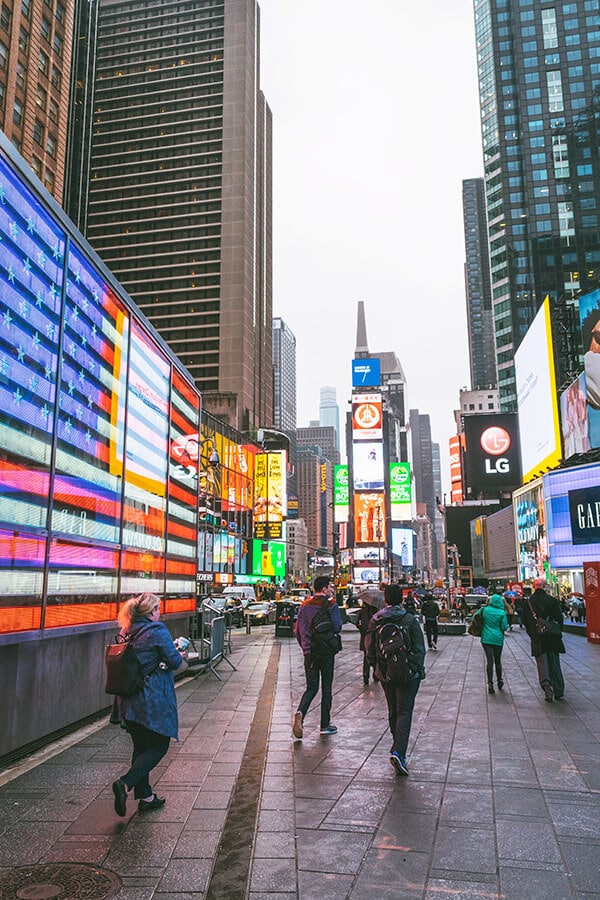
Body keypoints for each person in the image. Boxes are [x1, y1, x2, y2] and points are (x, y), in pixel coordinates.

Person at [112, 592, 185, 817]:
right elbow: (174, 661)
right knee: (159, 745)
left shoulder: (126, 631)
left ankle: (146, 797)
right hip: (151, 699)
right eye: (157, 609)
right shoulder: (156, 630)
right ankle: (125, 783)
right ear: (151, 612)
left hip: (127, 699)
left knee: (141, 747)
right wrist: (179, 653)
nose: (159, 612)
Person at [365, 584, 426, 777]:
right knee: (404, 711)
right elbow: (419, 647)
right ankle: (399, 751)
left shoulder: (376, 620)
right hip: (408, 674)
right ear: (401, 598)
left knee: (393, 709)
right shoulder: (409, 619)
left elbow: (369, 648)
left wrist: (376, 667)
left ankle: (397, 746)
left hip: (386, 673)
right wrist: (415, 667)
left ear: (386, 599)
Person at [293, 575, 343, 739]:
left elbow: (298, 631)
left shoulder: (304, 605)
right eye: (329, 586)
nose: (331, 589)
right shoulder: (331, 604)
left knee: (311, 688)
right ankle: (324, 724)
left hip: (310, 653)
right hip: (326, 652)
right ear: (323, 588)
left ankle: (301, 712)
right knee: (326, 688)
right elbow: (337, 626)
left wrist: (306, 648)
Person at [523, 578, 566, 702]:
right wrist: (557, 631)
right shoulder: (552, 600)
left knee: (542, 664)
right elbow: (560, 618)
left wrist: (532, 634)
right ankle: (559, 690)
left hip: (538, 637)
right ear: (544, 586)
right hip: (552, 636)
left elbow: (525, 621)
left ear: (534, 587)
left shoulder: (529, 602)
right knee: (555, 662)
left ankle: (547, 689)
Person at [479, 594, 509, 694]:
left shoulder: (485, 610)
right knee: (498, 660)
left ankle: (490, 683)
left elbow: (475, 617)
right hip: (498, 639)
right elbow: (505, 627)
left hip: (486, 638)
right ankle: (500, 680)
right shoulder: (502, 612)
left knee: (489, 661)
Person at [355, 593, 380, 685]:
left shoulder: (363, 611)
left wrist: (362, 630)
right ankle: (375, 674)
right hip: (375, 636)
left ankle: (366, 674)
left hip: (365, 637)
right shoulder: (377, 612)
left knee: (366, 656)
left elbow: (357, 623)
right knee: (376, 655)